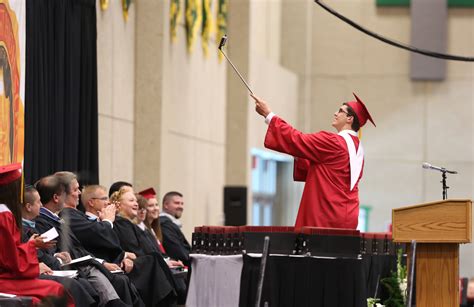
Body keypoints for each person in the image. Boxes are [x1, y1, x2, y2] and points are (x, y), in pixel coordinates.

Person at [251, 93, 375, 229]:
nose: (335, 113)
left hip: (324, 217)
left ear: (350, 118)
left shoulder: (334, 142)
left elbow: (297, 139)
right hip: (347, 216)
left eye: (340, 111)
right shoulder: (358, 150)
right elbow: (326, 170)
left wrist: (268, 115)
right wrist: (300, 152)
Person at [34, 174, 141, 307]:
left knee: (122, 280)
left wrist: (100, 261)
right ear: (56, 198)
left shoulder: (57, 219)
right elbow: (56, 251)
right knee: (113, 282)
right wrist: (107, 222)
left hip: (83, 263)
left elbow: (77, 248)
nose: (78, 193)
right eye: (73, 190)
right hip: (72, 268)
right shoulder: (43, 222)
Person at [0, 165, 72, 305]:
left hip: (7, 275)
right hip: (4, 278)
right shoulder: (4, 216)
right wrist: (32, 245)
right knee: (56, 291)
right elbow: (13, 261)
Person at [21, 185, 98, 306]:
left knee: (82, 282)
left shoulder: (33, 225)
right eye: (38, 202)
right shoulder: (21, 228)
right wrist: (53, 260)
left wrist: (56, 255)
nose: (41, 205)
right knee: (73, 284)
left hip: (43, 267)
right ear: (28, 207)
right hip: (26, 274)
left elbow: (44, 252)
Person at [111, 187, 179, 306]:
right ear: (119, 205)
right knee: (154, 259)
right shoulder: (121, 223)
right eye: (131, 201)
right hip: (129, 268)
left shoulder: (127, 223)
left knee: (155, 259)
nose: (136, 204)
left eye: (136, 201)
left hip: (134, 263)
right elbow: (134, 250)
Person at [160, 191, 191, 266]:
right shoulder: (164, 224)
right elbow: (177, 251)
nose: (180, 206)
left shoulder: (170, 223)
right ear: (166, 205)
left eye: (182, 203)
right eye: (177, 203)